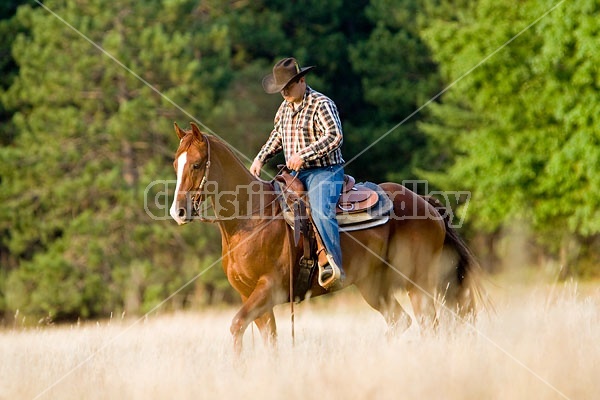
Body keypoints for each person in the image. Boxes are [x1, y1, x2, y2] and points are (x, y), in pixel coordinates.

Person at [250, 57, 345, 289]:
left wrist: (305, 154)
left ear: (302, 80)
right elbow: (277, 137)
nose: (284, 93)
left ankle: (334, 266)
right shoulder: (284, 108)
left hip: (325, 170)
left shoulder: (321, 103)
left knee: (321, 210)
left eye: (288, 87)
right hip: (294, 175)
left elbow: (335, 136)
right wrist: (260, 158)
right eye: (281, 90)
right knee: (267, 209)